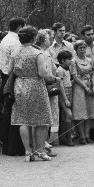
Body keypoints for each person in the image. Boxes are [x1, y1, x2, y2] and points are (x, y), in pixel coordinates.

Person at [11, 25, 57, 162]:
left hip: (19, 85)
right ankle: (40, 150)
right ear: (34, 37)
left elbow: (9, 71)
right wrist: (55, 78)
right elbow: (43, 74)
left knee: (23, 120)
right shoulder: (37, 53)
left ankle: (28, 151)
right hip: (35, 85)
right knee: (42, 119)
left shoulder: (15, 52)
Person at [0, 17, 26, 156]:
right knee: (14, 111)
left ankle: (7, 142)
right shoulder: (15, 42)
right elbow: (16, 65)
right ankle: (13, 145)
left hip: (6, 77)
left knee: (8, 111)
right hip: (11, 77)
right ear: (20, 27)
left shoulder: (5, 39)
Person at [70, 41, 94, 144]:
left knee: (90, 111)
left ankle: (87, 134)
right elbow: (74, 76)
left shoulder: (89, 60)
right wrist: (85, 87)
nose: (82, 49)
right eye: (80, 48)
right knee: (81, 112)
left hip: (90, 85)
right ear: (76, 50)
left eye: (84, 48)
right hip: (80, 87)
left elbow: (93, 74)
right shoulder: (74, 61)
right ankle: (81, 135)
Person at [55, 50, 75, 146]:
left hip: (69, 90)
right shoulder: (60, 70)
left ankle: (64, 137)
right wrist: (65, 99)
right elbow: (61, 85)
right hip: (64, 93)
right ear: (62, 60)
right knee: (68, 114)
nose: (70, 61)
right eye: (68, 59)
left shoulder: (67, 69)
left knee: (66, 116)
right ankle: (68, 138)